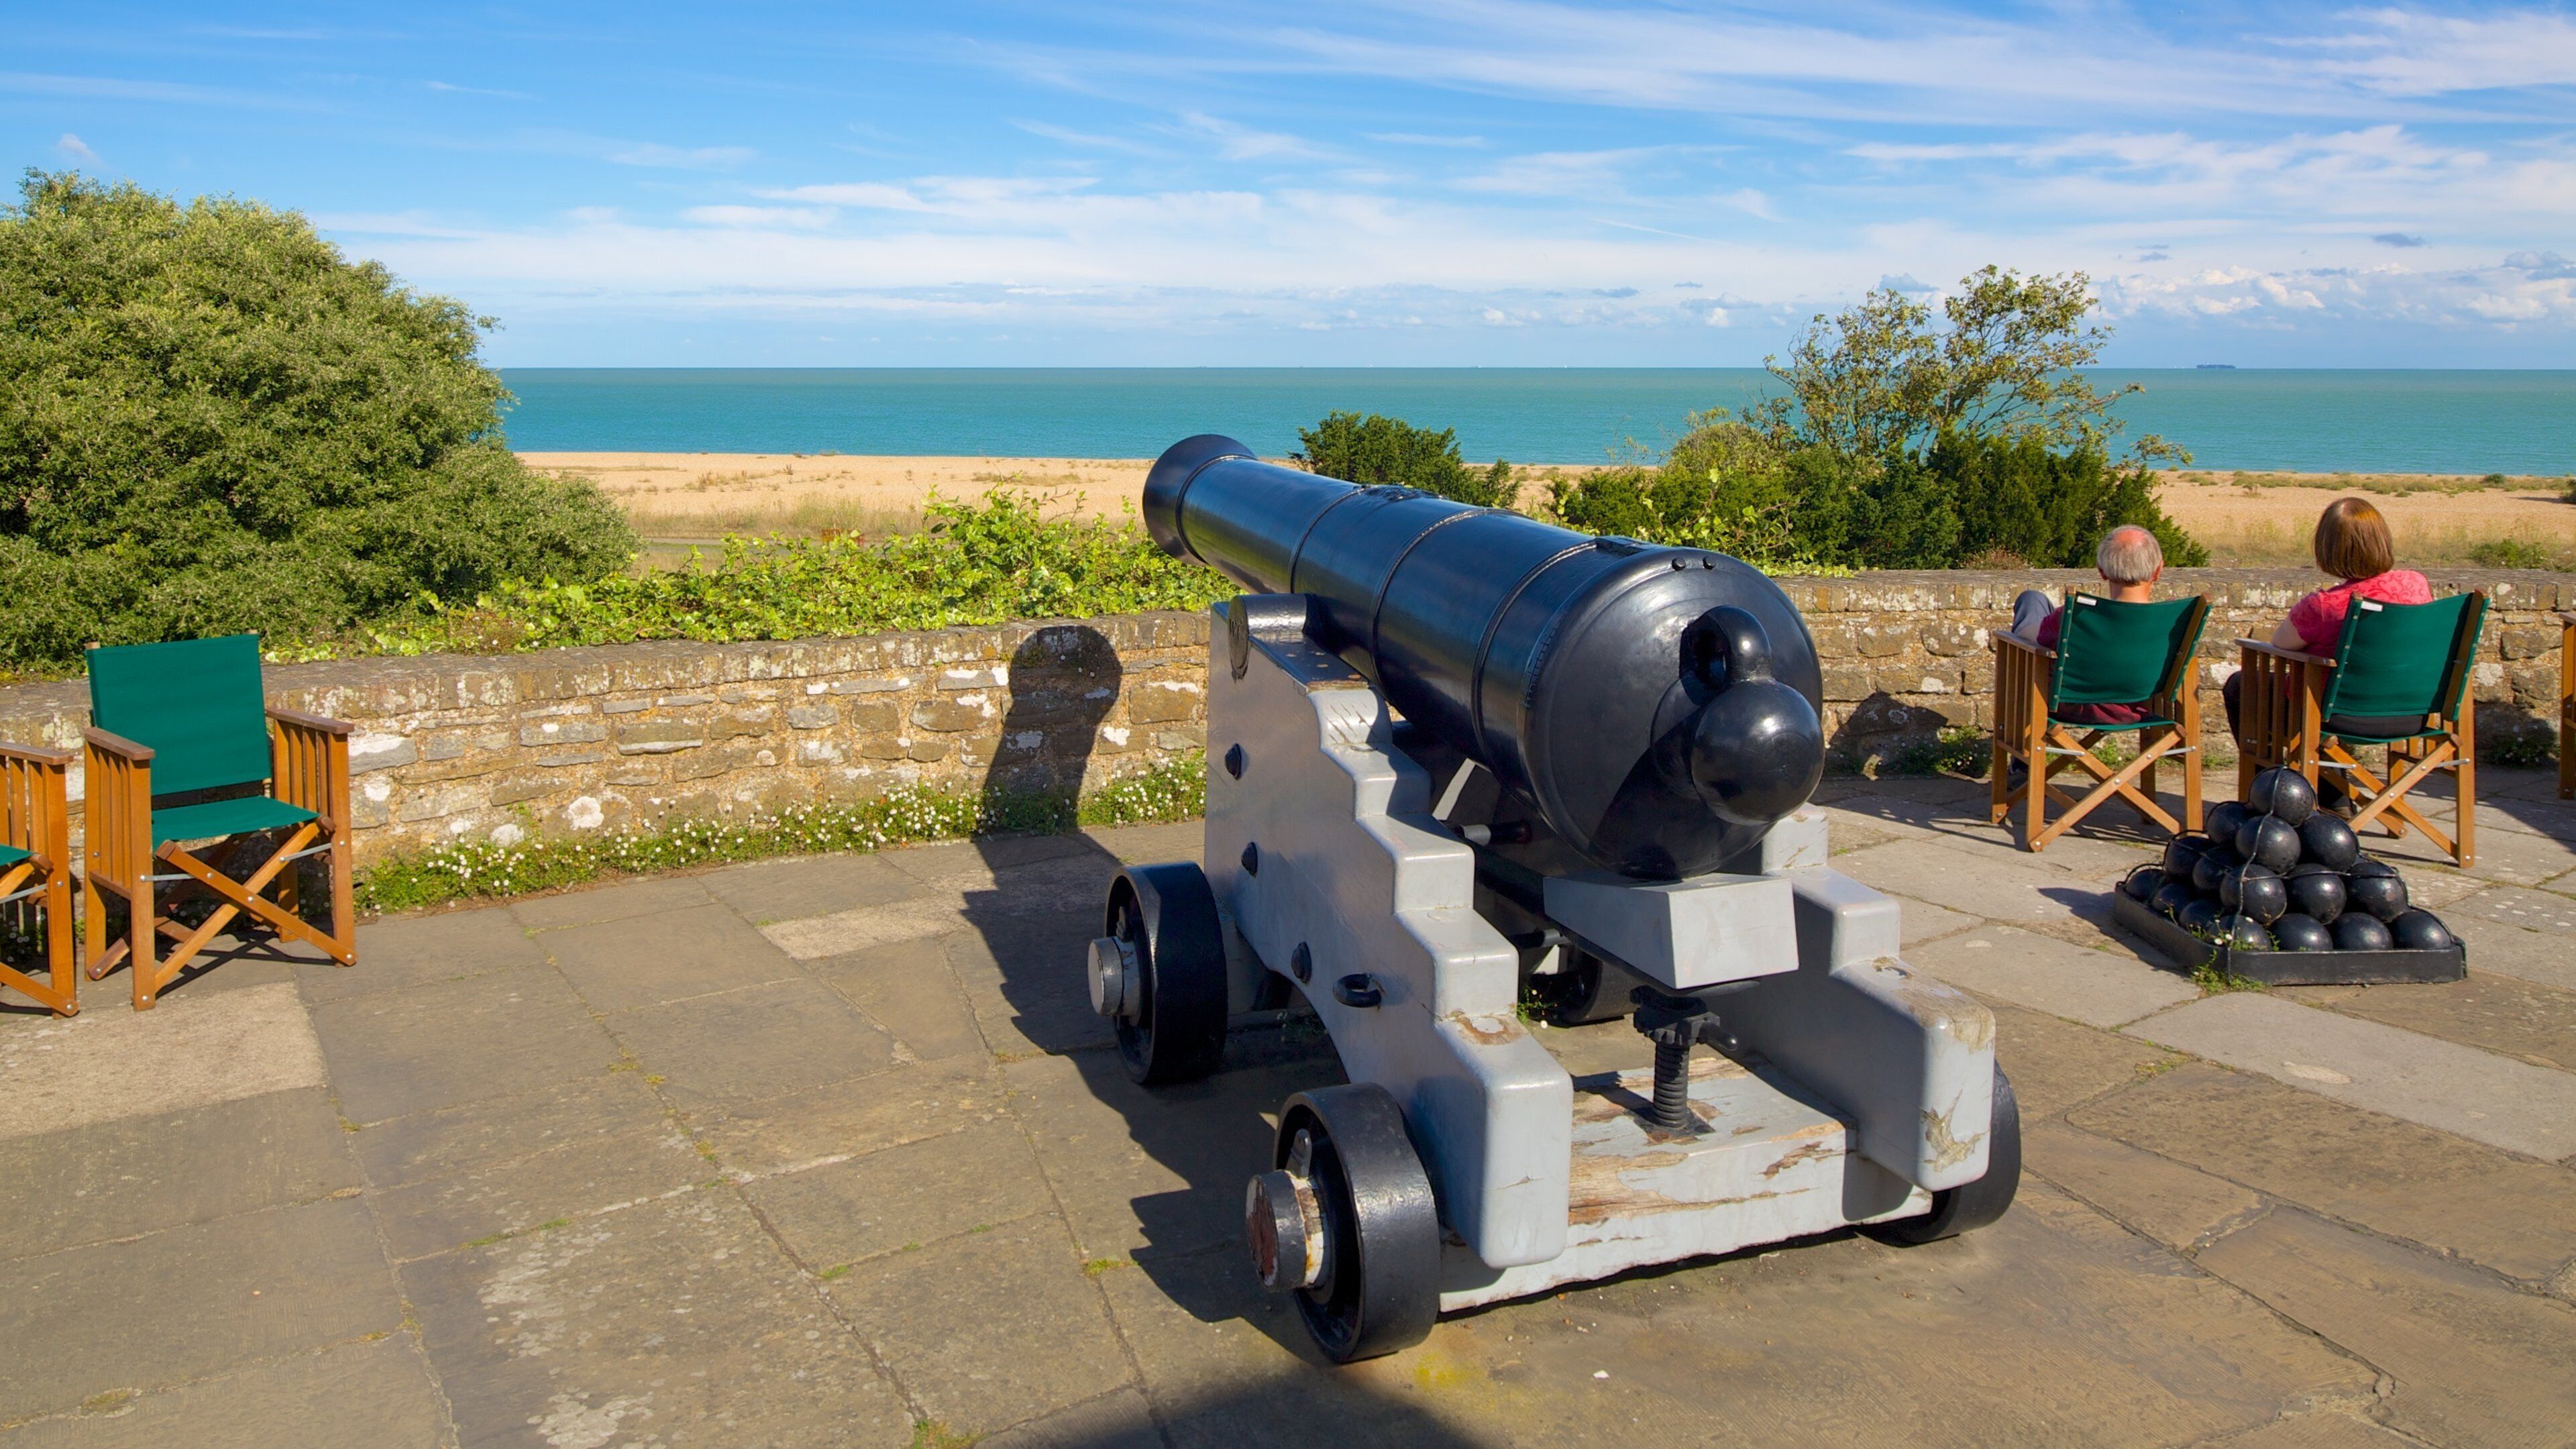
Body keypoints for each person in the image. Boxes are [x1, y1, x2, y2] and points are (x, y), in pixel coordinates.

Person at [2006, 523, 2166, 727]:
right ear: (2159, 569)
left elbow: (2027, 635)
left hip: (2072, 705)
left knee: (2030, 604)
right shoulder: (2174, 622)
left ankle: (2026, 748)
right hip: (2137, 707)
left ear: (2102, 571)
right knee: (2034, 600)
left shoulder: (2079, 616)